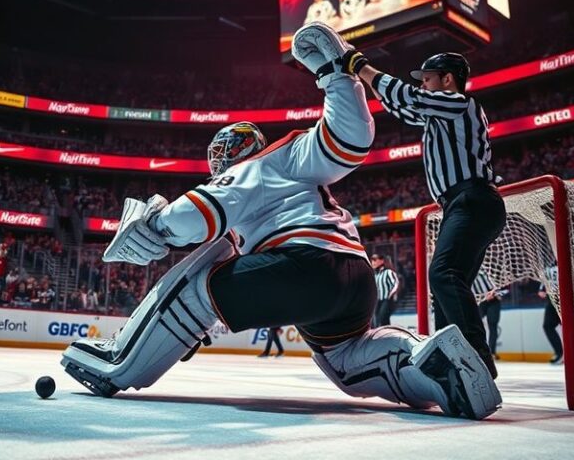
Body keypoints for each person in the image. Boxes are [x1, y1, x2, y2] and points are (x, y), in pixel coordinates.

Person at [61, 22, 501, 420]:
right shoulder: (296, 158)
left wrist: (157, 227)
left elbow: (203, 211)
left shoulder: (259, 164)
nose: (218, 164)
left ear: (235, 151)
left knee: (198, 282)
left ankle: (120, 362)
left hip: (304, 265)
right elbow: (349, 140)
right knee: (351, 361)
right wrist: (336, 76)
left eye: (221, 155)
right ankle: (435, 368)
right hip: (354, 279)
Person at [344, 29, 506, 378]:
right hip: (463, 205)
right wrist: (359, 78)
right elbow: (399, 103)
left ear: (448, 79)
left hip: (473, 200)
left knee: (444, 274)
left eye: (428, 79)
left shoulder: (459, 103)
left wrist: (361, 65)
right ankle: (451, 364)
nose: (423, 85)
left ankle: (475, 358)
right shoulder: (438, 113)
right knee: (445, 286)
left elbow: (406, 96)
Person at [471, 269, 505, 360]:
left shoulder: (485, 271)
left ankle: (492, 352)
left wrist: (493, 293)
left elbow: (497, 287)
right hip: (480, 301)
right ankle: (477, 351)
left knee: (492, 325)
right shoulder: (468, 274)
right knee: (475, 325)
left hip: (493, 301)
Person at [538, 265, 563, 364]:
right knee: (548, 325)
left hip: (560, 298)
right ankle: (561, 353)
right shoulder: (549, 268)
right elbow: (541, 289)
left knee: (550, 326)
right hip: (553, 299)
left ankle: (562, 353)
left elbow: (541, 290)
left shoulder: (551, 267)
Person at [372, 254, 399, 327]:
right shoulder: (375, 275)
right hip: (378, 300)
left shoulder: (388, 272)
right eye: (372, 260)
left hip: (387, 299)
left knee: (382, 317)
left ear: (381, 261)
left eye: (375, 260)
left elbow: (396, 283)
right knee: (376, 319)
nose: (372, 262)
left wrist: (391, 294)